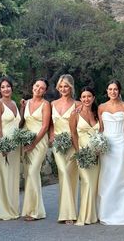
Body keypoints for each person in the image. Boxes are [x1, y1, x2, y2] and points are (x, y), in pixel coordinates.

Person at [97, 79, 124, 225]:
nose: (113, 92)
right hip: (106, 144)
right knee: (106, 176)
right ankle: (106, 211)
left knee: (120, 175)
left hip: (121, 143)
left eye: (115, 89)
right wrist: (97, 144)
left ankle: (123, 211)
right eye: (110, 89)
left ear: (119, 91)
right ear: (107, 91)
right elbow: (100, 128)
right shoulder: (101, 107)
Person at [0, 77, 21, 220]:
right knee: (3, 176)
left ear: (12, 88)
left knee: (13, 176)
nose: (6, 89)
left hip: (16, 145)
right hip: (4, 145)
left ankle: (12, 207)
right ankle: (1, 209)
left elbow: (18, 123)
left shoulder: (14, 103)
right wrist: (2, 145)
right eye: (2, 87)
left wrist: (23, 107)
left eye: (8, 86)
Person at [50, 74, 80, 224]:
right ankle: (68, 214)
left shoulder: (78, 104)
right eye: (61, 86)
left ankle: (68, 211)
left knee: (70, 176)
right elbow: (50, 125)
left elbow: (85, 123)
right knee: (63, 172)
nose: (63, 89)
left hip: (72, 144)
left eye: (66, 86)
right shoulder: (52, 104)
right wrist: (51, 136)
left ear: (71, 87)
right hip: (57, 145)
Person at [20, 78, 51, 221]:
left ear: (45, 91)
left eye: (42, 88)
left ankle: (34, 212)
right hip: (26, 141)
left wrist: (33, 144)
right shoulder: (26, 103)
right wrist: (21, 108)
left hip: (39, 142)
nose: (38, 89)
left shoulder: (46, 105)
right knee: (29, 174)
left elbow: (45, 127)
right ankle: (32, 209)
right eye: (37, 86)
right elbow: (21, 122)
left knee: (33, 172)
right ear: (33, 86)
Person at [69, 86, 99, 226]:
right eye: (83, 97)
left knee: (94, 184)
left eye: (89, 96)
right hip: (82, 153)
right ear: (80, 99)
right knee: (86, 182)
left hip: (96, 154)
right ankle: (84, 216)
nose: (86, 99)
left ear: (93, 98)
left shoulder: (97, 113)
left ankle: (93, 215)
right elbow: (73, 134)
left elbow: (101, 132)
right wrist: (78, 152)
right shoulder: (75, 114)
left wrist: (100, 148)